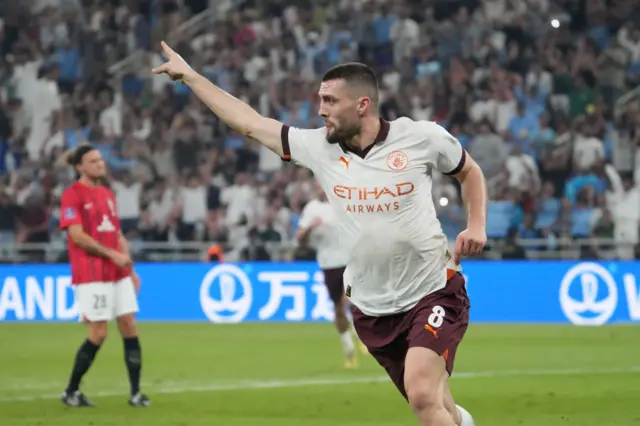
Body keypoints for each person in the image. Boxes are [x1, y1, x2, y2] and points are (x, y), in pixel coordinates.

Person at [153, 41, 486, 426]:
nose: (321, 110)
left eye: (330, 101)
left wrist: (475, 224)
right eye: (320, 100)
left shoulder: (421, 138)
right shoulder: (318, 148)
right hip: (372, 308)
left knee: (423, 395)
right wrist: (192, 77)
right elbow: (249, 122)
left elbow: (469, 171)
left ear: (362, 104)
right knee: (437, 404)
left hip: (433, 289)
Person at [59, 145, 150, 408]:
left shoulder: (108, 194)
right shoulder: (72, 195)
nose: (100, 164)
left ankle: (135, 394)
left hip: (117, 272)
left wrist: (130, 270)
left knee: (130, 325)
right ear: (80, 166)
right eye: (93, 161)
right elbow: (76, 235)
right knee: (98, 332)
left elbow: (117, 234)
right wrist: (113, 255)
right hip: (91, 272)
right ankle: (71, 392)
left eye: (100, 160)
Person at [297, 181, 367, 369]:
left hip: (350, 260)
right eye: (318, 185)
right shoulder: (312, 208)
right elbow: (300, 238)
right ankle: (349, 349)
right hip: (329, 264)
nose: (321, 188)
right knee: (338, 307)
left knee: (351, 299)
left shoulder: (345, 202)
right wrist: (310, 227)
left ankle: (363, 336)